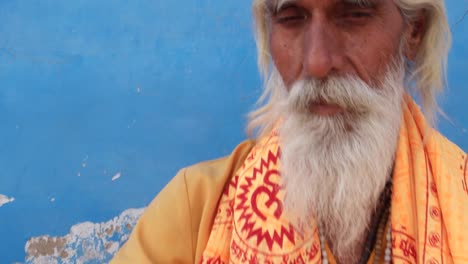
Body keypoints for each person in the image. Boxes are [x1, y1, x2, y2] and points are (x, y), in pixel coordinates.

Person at [112, 0, 467, 263]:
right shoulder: (193, 212)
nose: (316, 62)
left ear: (414, 31)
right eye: (291, 18)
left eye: (355, 13)